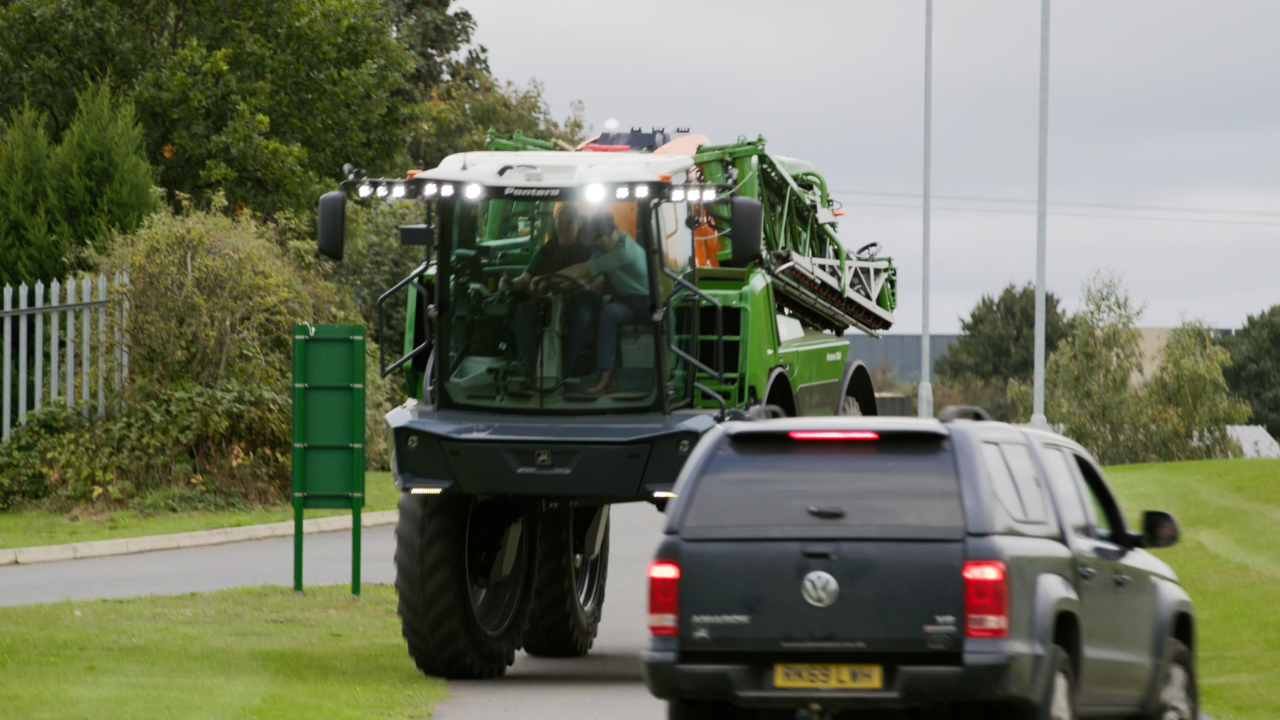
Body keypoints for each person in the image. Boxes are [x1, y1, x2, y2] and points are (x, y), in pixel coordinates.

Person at [557, 211, 650, 397]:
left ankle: (662, 378)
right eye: (600, 237)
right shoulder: (600, 249)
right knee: (608, 313)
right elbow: (589, 273)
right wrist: (578, 283)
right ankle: (607, 379)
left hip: (649, 303)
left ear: (616, 228)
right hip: (628, 302)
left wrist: (547, 280)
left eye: (609, 235)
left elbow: (582, 269)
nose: (606, 240)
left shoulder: (624, 250)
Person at [501, 204, 595, 375]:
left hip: (575, 303)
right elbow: (525, 278)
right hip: (546, 303)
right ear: (554, 223)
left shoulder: (589, 251)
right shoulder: (545, 251)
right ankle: (526, 366)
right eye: (560, 222)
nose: (564, 227)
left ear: (579, 222)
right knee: (523, 310)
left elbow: (592, 280)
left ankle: (566, 370)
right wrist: (511, 284)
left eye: (569, 222)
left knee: (583, 316)